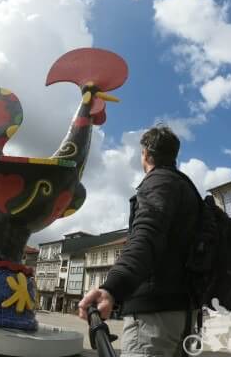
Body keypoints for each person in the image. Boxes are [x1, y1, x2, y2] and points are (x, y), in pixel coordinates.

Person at [78, 125, 199, 356]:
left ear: (145, 153)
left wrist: (112, 288)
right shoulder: (187, 189)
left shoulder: (158, 183)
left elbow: (146, 236)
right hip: (186, 314)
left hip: (153, 318)